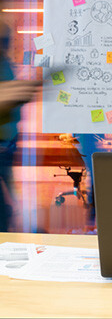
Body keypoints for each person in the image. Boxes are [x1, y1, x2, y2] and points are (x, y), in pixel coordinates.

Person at [0, 21, 41, 231]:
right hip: (3, 144)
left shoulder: (4, 62)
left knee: (8, 205)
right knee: (5, 207)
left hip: (8, 142)